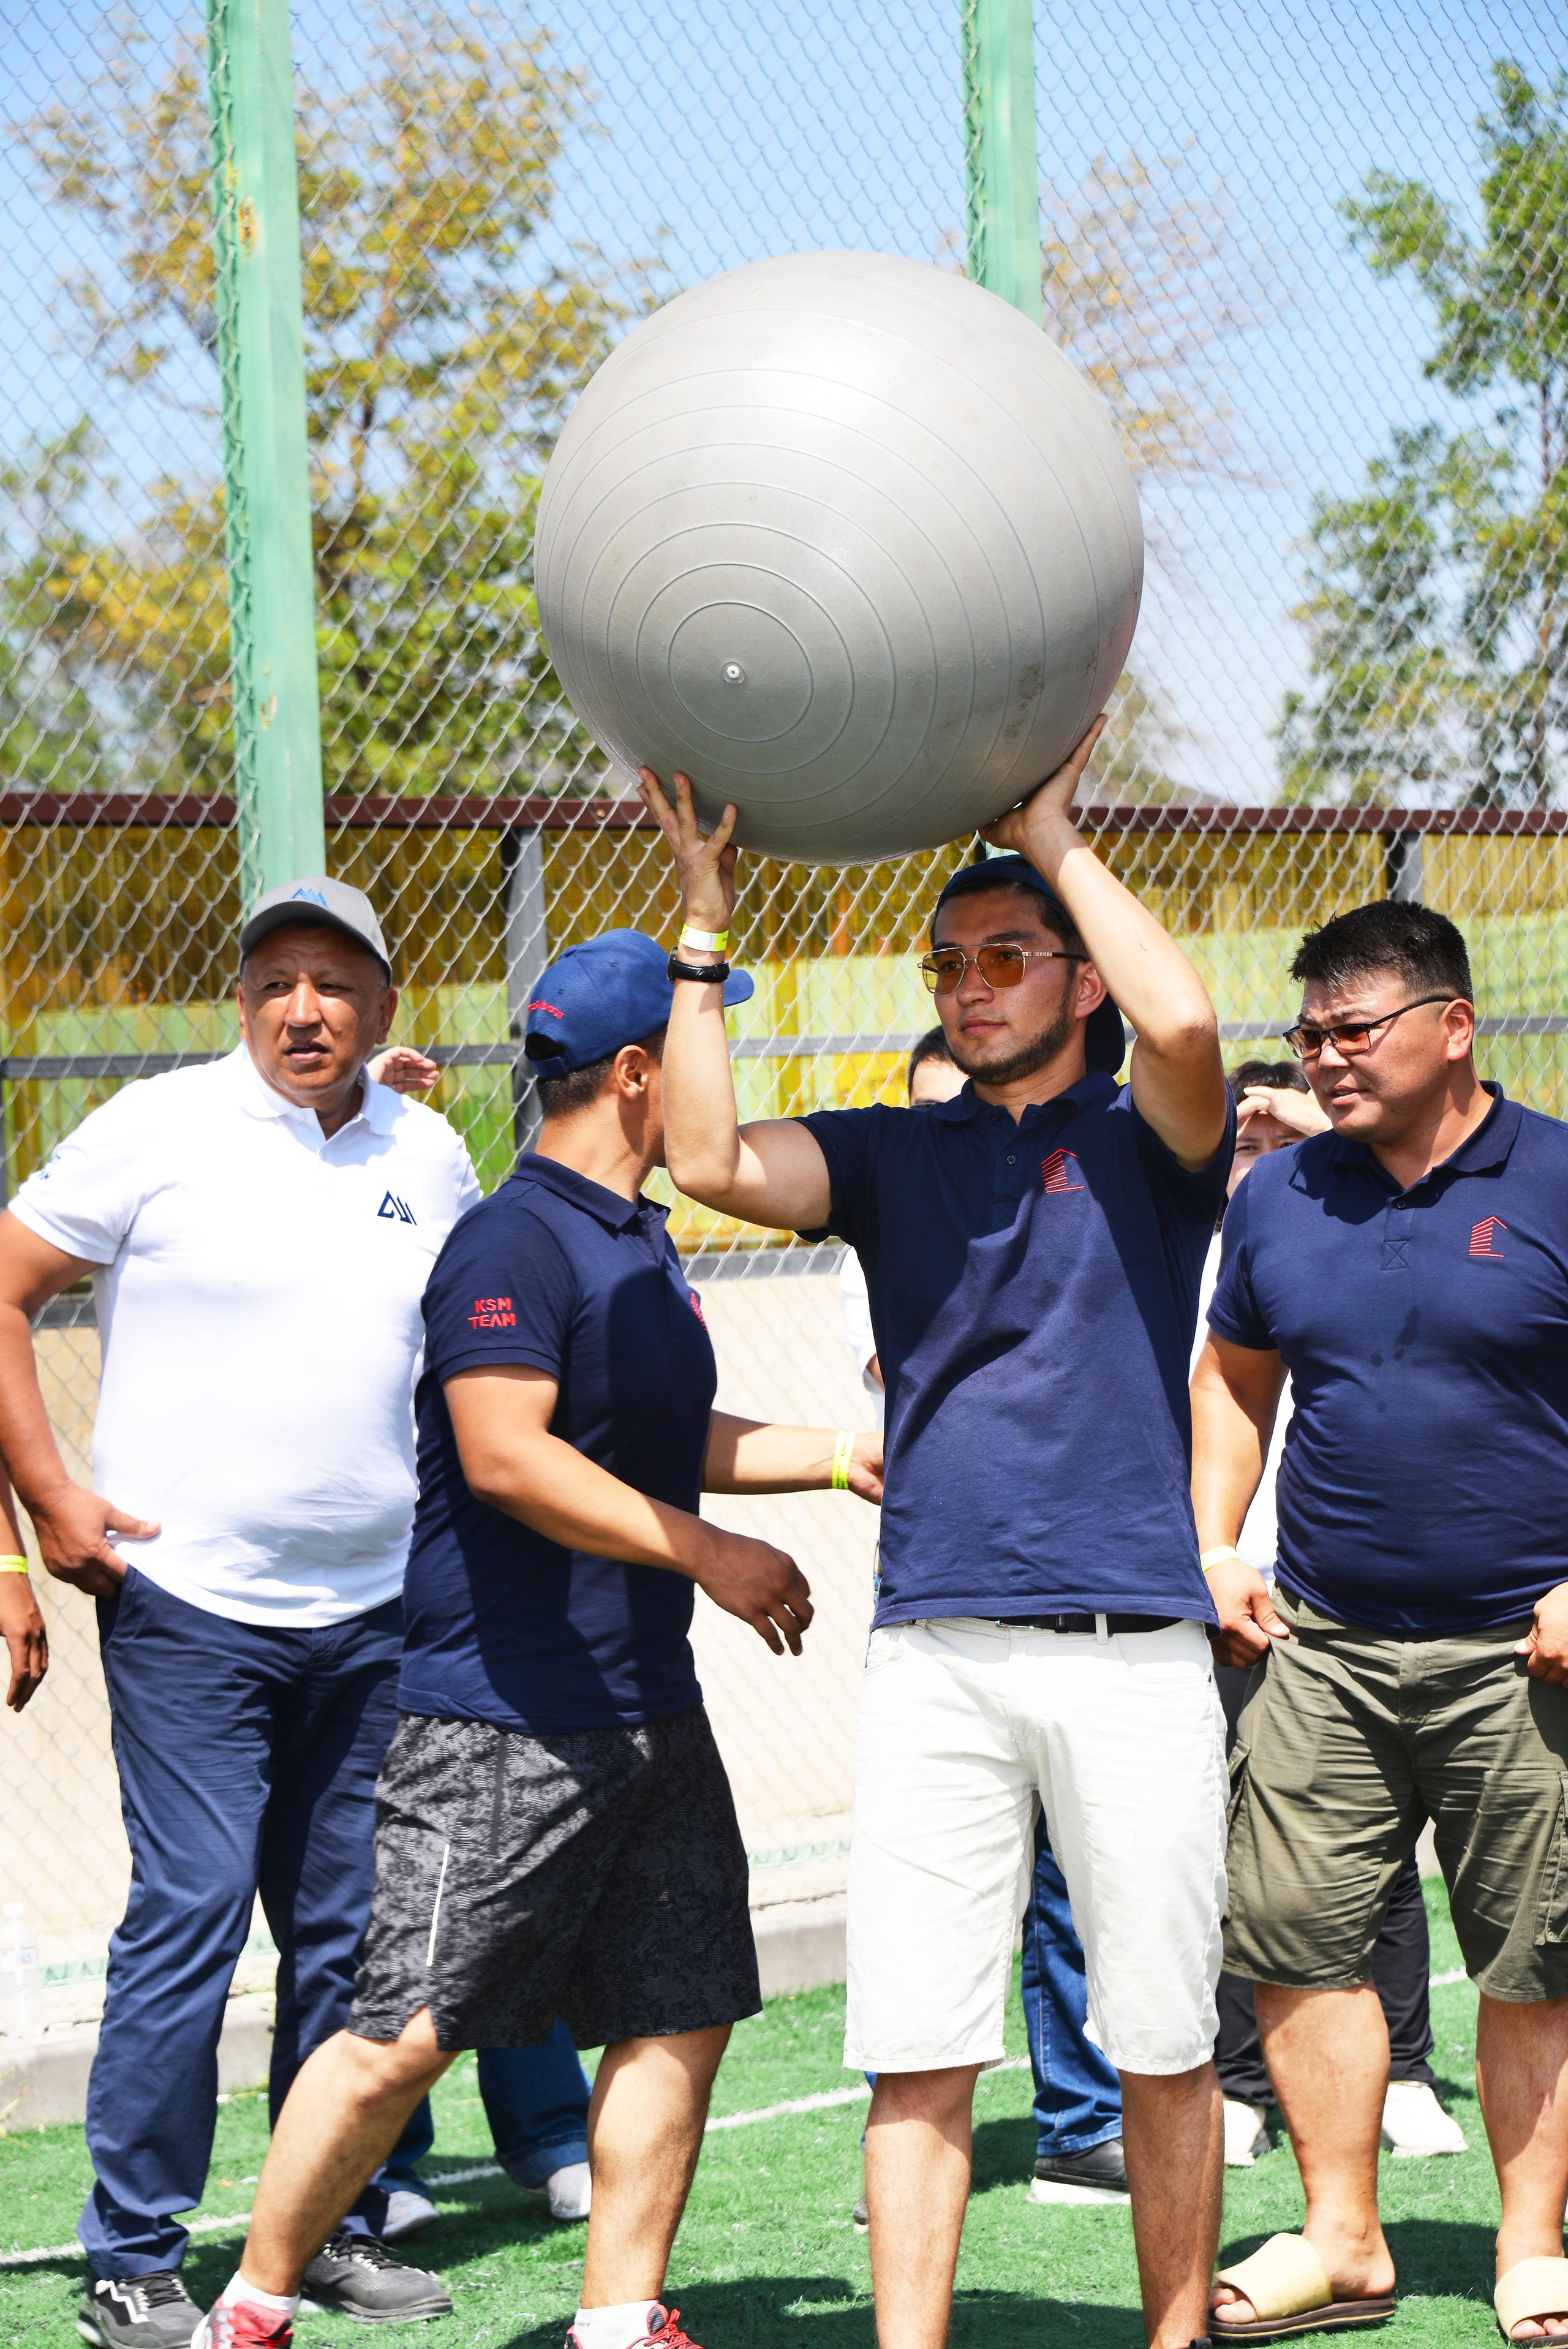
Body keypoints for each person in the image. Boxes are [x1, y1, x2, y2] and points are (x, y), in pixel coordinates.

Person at [197, 927, 883, 2349]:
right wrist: (707, 1549)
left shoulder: (634, 1232)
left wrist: (840, 1456)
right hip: (499, 1721)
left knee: (681, 2006)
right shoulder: (508, 1238)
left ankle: (618, 2320)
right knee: (402, 2033)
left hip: (648, 1709)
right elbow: (507, 1452)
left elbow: (642, 1434)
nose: (718, 1063)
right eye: (696, 1040)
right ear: (638, 1072)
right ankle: (249, 2312)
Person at [640, 718, 1235, 2349]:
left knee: (1167, 2036)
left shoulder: (1151, 1136)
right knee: (917, 2043)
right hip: (936, 1647)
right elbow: (697, 1156)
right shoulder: (899, 1147)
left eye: (1007, 959)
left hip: (1135, 1644)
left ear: (1074, 979)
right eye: (949, 962)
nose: (969, 987)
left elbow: (1181, 1013)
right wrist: (703, 929)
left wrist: (1055, 840)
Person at [0, 878, 482, 2349]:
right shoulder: (158, 1128)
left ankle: (318, 2226)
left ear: (386, 1008)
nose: (303, 1008)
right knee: (194, 1909)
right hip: (185, 1608)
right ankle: (132, 2255)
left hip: (376, 1616)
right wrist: (44, 1506)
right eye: (275, 979)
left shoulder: (433, 1151)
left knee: (344, 1935)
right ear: (243, 1001)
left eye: (335, 983)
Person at [1192, 900, 1568, 2346]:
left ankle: (1530, 2247)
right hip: (1319, 1643)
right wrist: (1215, 1544)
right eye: (1307, 1035)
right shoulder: (1280, 1196)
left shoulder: (1552, 1176)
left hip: (1518, 1653)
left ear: (1451, 1026)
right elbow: (1234, 1378)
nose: (1326, 1061)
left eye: (1355, 1031)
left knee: (1535, 1953)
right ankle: (1341, 2239)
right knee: (1291, 1938)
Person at [841, 1029, 1128, 2214]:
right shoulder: (893, 1207)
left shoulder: (1108, 1178)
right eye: (931, 1105)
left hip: (1099, 1618)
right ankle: (907, 2147)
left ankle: (1081, 2115)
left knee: (1077, 1901)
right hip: (937, 1618)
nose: (951, 1121)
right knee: (921, 1948)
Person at [1197, 1062, 1464, 2171]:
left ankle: (1404, 2067)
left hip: (1369, 1603)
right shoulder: (1220, 1238)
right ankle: (1245, 2087)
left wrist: (1303, 1119)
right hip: (1230, 1586)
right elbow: (1221, 1398)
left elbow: (1420, 1161)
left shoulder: (1377, 1216)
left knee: (1388, 1864)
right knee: (1255, 1862)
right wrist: (1209, 1551)